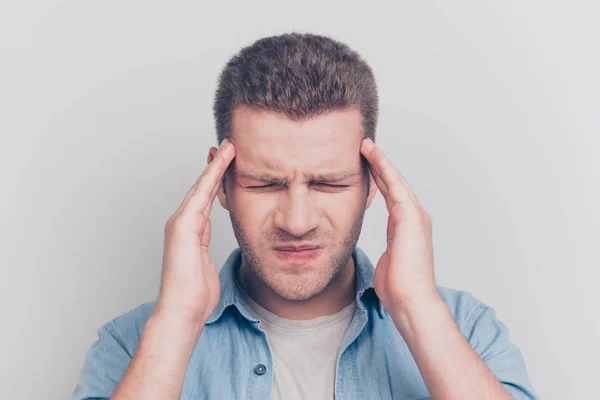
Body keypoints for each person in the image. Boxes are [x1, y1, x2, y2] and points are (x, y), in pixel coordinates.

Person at [70, 33, 538, 400]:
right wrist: (176, 324)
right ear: (219, 183)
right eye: (265, 183)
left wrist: (418, 312)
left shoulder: (465, 328)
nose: (297, 222)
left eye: (328, 184)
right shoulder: (135, 344)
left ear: (373, 182)